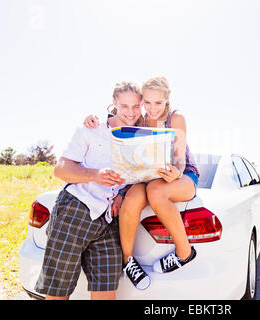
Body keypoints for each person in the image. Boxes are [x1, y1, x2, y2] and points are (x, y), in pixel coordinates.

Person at [35, 81, 147, 300]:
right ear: (114, 103)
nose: (131, 112)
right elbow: (61, 169)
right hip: (74, 211)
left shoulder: (140, 139)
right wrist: (95, 175)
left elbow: (138, 177)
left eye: (136, 106)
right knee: (58, 291)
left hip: (108, 220)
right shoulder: (92, 129)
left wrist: (122, 194)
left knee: (106, 292)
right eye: (125, 106)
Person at [84, 76, 200, 276]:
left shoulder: (175, 118)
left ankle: (184, 252)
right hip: (146, 176)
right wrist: (91, 118)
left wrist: (177, 173)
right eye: (147, 102)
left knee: (156, 191)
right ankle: (127, 260)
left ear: (167, 99)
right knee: (132, 198)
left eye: (158, 102)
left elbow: (180, 158)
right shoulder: (140, 119)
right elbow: (115, 121)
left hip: (182, 175)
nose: (152, 108)